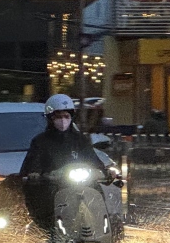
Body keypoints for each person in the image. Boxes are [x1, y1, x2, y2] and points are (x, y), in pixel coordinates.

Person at [20, 94, 107, 230]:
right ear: (50, 118)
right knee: (45, 206)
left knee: (98, 193)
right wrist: (38, 175)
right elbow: (31, 167)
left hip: (82, 188)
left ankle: (102, 229)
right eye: (58, 117)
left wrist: (105, 172)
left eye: (66, 116)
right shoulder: (40, 142)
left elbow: (93, 159)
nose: (63, 120)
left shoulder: (80, 140)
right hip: (52, 190)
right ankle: (52, 232)